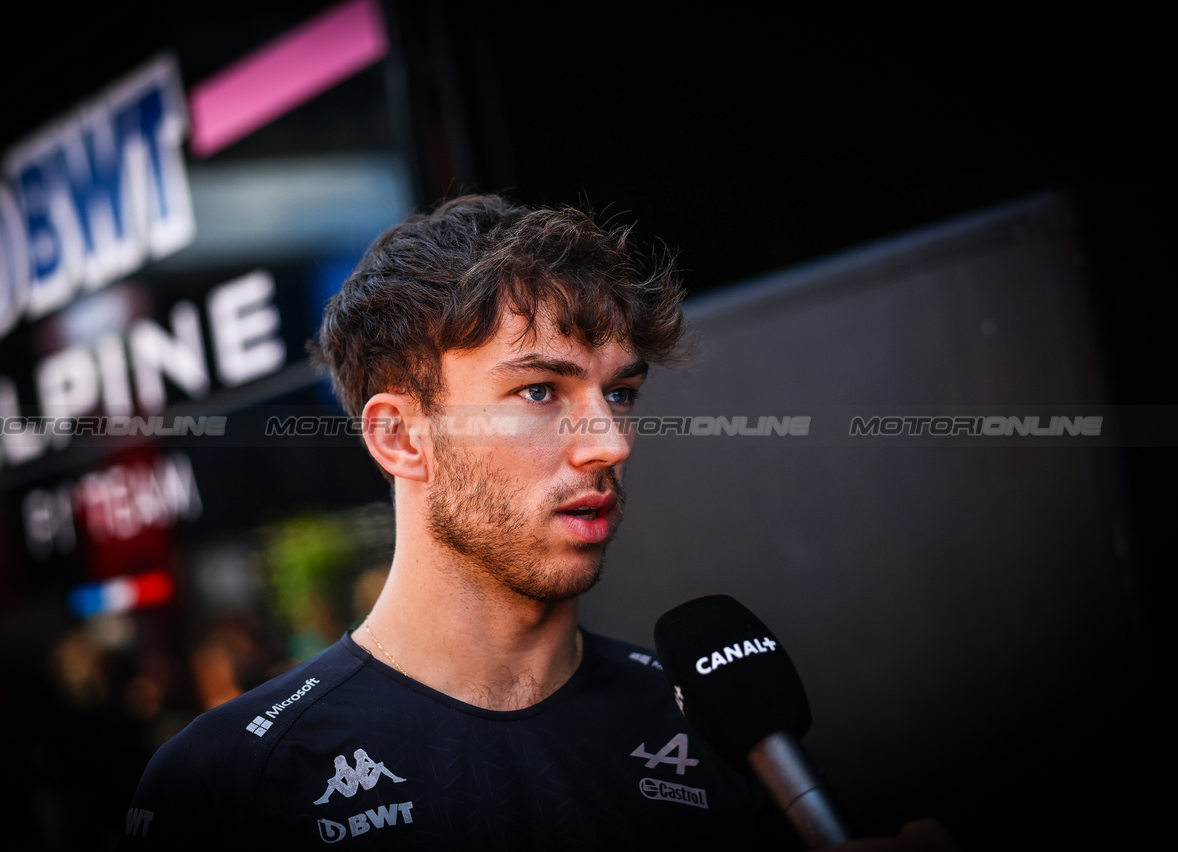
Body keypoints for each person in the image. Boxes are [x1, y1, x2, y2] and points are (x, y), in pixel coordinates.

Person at [120, 195, 954, 851]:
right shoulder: (231, 778)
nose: (610, 442)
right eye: (540, 392)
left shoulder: (709, 726)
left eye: (618, 393)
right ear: (402, 436)